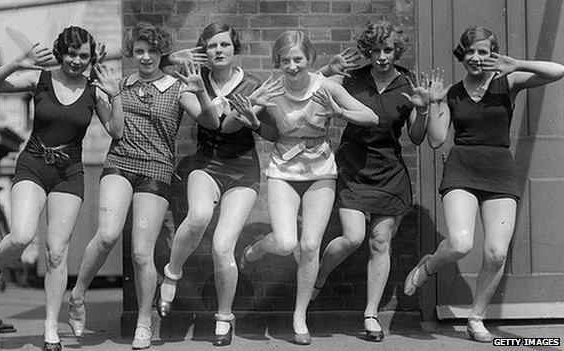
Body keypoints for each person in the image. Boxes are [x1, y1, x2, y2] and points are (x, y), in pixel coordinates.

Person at [403, 26, 564, 343]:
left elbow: (558, 70)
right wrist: (433, 104)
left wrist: (516, 63)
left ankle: (476, 318)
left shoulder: (509, 82)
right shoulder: (450, 93)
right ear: (462, 54)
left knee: (495, 253)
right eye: (471, 51)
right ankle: (429, 266)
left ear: (493, 54)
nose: (476, 58)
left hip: (500, 169)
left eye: (484, 52)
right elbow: (435, 141)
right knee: (461, 244)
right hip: (462, 167)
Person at [66, 22, 219, 350]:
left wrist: (201, 90)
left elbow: (212, 122)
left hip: (157, 170)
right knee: (107, 235)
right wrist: (114, 95)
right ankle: (77, 296)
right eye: (139, 51)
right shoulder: (118, 83)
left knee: (140, 253)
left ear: (162, 52)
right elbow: (116, 132)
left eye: (151, 51)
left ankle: (145, 320)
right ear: (132, 53)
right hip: (120, 162)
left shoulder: (178, 87)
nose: (145, 57)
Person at [0, 26, 123, 351]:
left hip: (69, 173)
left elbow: (116, 130)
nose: (76, 61)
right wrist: (19, 61)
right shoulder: (39, 79)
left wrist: (115, 94)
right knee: (22, 235)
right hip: (33, 164)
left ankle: (51, 329)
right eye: (70, 53)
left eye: (84, 56)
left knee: (57, 252)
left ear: (91, 57)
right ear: (60, 52)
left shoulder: (94, 91)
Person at [234, 30, 379, 345]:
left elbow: (370, 116)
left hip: (321, 173)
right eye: (285, 60)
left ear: (309, 59)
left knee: (311, 246)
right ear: (278, 61)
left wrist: (339, 113)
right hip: (283, 172)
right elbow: (243, 122)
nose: (292, 66)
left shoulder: (325, 87)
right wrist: (254, 117)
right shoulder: (270, 90)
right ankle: (256, 248)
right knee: (287, 244)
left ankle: (299, 316)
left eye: (298, 59)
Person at [156, 22, 282, 347]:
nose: (219, 51)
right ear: (204, 51)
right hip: (206, 165)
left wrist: (256, 120)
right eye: (212, 46)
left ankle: (224, 317)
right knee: (198, 217)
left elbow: (273, 133)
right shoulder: (191, 81)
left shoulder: (253, 84)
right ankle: (172, 272)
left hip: (243, 172)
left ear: (233, 47)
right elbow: (215, 124)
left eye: (224, 44)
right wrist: (189, 77)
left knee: (222, 246)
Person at [312, 20, 430, 342]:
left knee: (380, 242)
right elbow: (310, 89)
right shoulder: (353, 78)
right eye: (375, 50)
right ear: (368, 51)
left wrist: (422, 110)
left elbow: (417, 138)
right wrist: (326, 69)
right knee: (352, 237)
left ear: (396, 50)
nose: (381, 56)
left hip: (388, 169)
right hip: (352, 165)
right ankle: (319, 275)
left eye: (387, 49)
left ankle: (371, 315)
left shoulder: (407, 82)